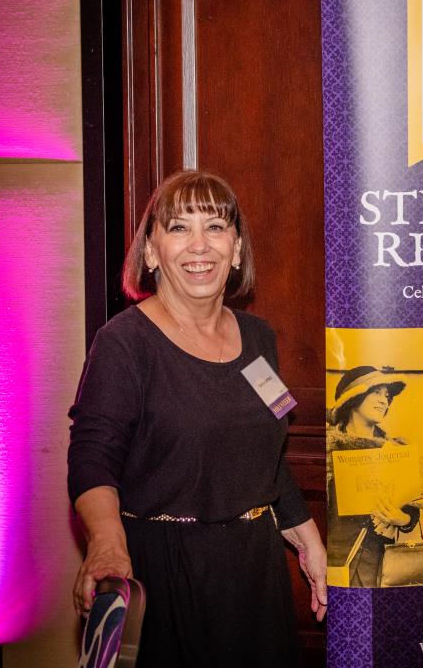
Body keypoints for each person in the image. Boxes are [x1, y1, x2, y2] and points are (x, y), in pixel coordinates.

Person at [68, 170, 326, 667]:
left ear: (236, 250)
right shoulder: (124, 344)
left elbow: (268, 455)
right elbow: (92, 457)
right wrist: (105, 543)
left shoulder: (258, 338)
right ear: (150, 252)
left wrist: (307, 538)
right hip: (166, 573)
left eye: (215, 226)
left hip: (255, 573)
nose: (199, 245)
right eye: (179, 227)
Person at [326, 365, 423, 587]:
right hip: (338, 560)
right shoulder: (328, 450)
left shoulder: (396, 451)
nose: (384, 400)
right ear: (353, 397)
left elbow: (413, 513)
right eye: (376, 392)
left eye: (387, 396)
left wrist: (400, 519)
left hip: (382, 564)